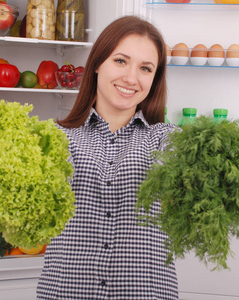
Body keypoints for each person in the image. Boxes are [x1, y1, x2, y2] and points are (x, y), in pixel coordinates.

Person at [36, 15, 178, 299]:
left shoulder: (168, 139)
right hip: (66, 293)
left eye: (146, 68)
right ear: (98, 63)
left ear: (154, 79)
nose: (131, 78)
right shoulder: (54, 137)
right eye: (121, 61)